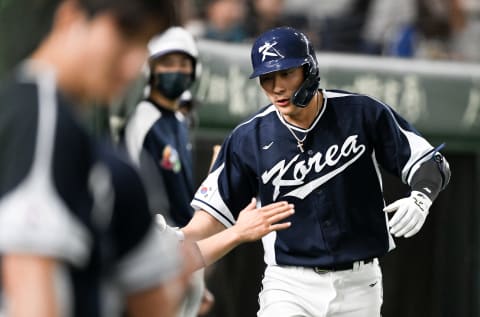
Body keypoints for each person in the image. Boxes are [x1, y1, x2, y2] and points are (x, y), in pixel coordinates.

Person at [0, 0, 294, 315]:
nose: (131, 63)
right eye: (125, 35)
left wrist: (187, 282)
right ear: (71, 16)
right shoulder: (39, 116)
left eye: (143, 44)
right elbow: (30, 284)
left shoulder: (111, 165)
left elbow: (152, 296)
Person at [182, 26, 451, 317]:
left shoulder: (361, 113)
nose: (276, 87)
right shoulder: (249, 137)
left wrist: (421, 198)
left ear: (309, 69)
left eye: (286, 73)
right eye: (267, 78)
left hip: (360, 284)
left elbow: (431, 161)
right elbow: (210, 218)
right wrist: (173, 237)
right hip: (289, 284)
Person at [123, 26, 211, 317]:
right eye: (167, 62)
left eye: (183, 63)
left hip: (185, 250)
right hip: (157, 251)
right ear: (151, 68)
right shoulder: (142, 120)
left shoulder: (180, 120)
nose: (176, 70)